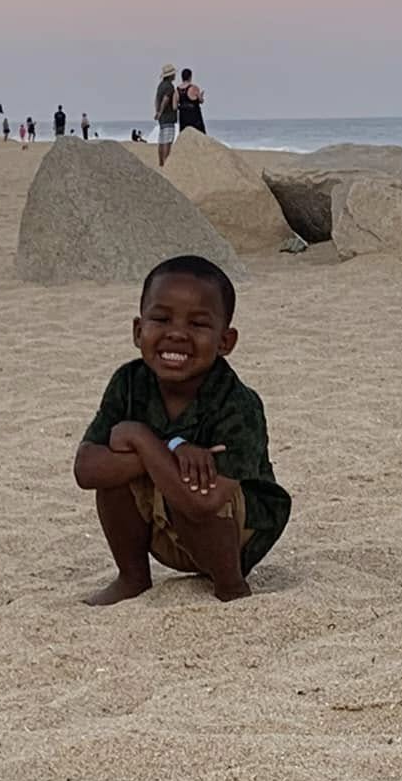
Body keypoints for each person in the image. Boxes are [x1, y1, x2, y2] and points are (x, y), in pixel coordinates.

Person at [74, 255, 291, 605]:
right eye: (160, 318)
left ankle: (231, 588)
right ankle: (132, 577)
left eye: (198, 324)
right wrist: (169, 449)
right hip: (167, 521)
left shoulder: (237, 403)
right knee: (115, 475)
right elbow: (86, 469)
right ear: (137, 330)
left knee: (195, 484)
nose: (176, 333)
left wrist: (140, 439)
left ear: (226, 341)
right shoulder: (129, 383)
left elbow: (203, 503)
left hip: (235, 536)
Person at [154, 62, 178, 165]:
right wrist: (160, 111)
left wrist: (157, 111)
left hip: (162, 117)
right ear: (170, 75)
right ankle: (166, 162)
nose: (175, 75)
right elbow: (166, 99)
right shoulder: (169, 86)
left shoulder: (160, 86)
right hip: (168, 116)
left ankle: (160, 162)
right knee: (167, 141)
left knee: (162, 140)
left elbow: (156, 99)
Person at [176, 69, 206, 136]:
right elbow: (201, 100)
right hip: (194, 115)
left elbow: (177, 102)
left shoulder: (177, 89)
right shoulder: (194, 88)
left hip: (183, 115)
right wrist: (201, 96)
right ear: (190, 77)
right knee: (200, 134)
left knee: (184, 135)